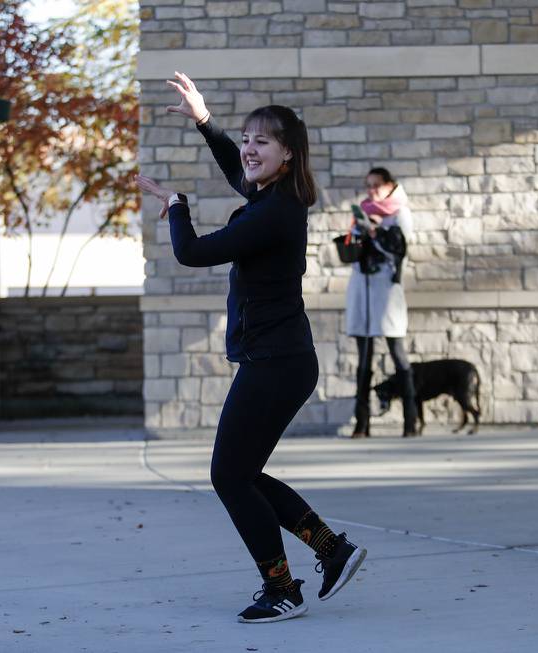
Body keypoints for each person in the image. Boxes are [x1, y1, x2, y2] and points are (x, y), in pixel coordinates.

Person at [136, 72, 367, 623]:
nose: (249, 148)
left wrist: (176, 203)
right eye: (246, 138)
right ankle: (331, 550)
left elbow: (191, 252)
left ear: (288, 154)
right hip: (278, 360)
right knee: (244, 474)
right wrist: (204, 120)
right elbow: (237, 172)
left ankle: (283, 588)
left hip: (277, 363)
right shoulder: (273, 200)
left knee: (229, 476)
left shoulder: (274, 213)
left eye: (262, 140)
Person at [345, 167, 417, 438]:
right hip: (362, 290)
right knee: (364, 360)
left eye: (376, 185)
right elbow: (352, 252)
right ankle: (361, 423)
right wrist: (355, 234)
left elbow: (400, 248)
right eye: (368, 185)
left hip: (386, 293)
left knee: (398, 354)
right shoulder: (362, 211)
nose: (372, 190)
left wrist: (375, 230)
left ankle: (411, 422)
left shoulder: (400, 213)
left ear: (389, 185)